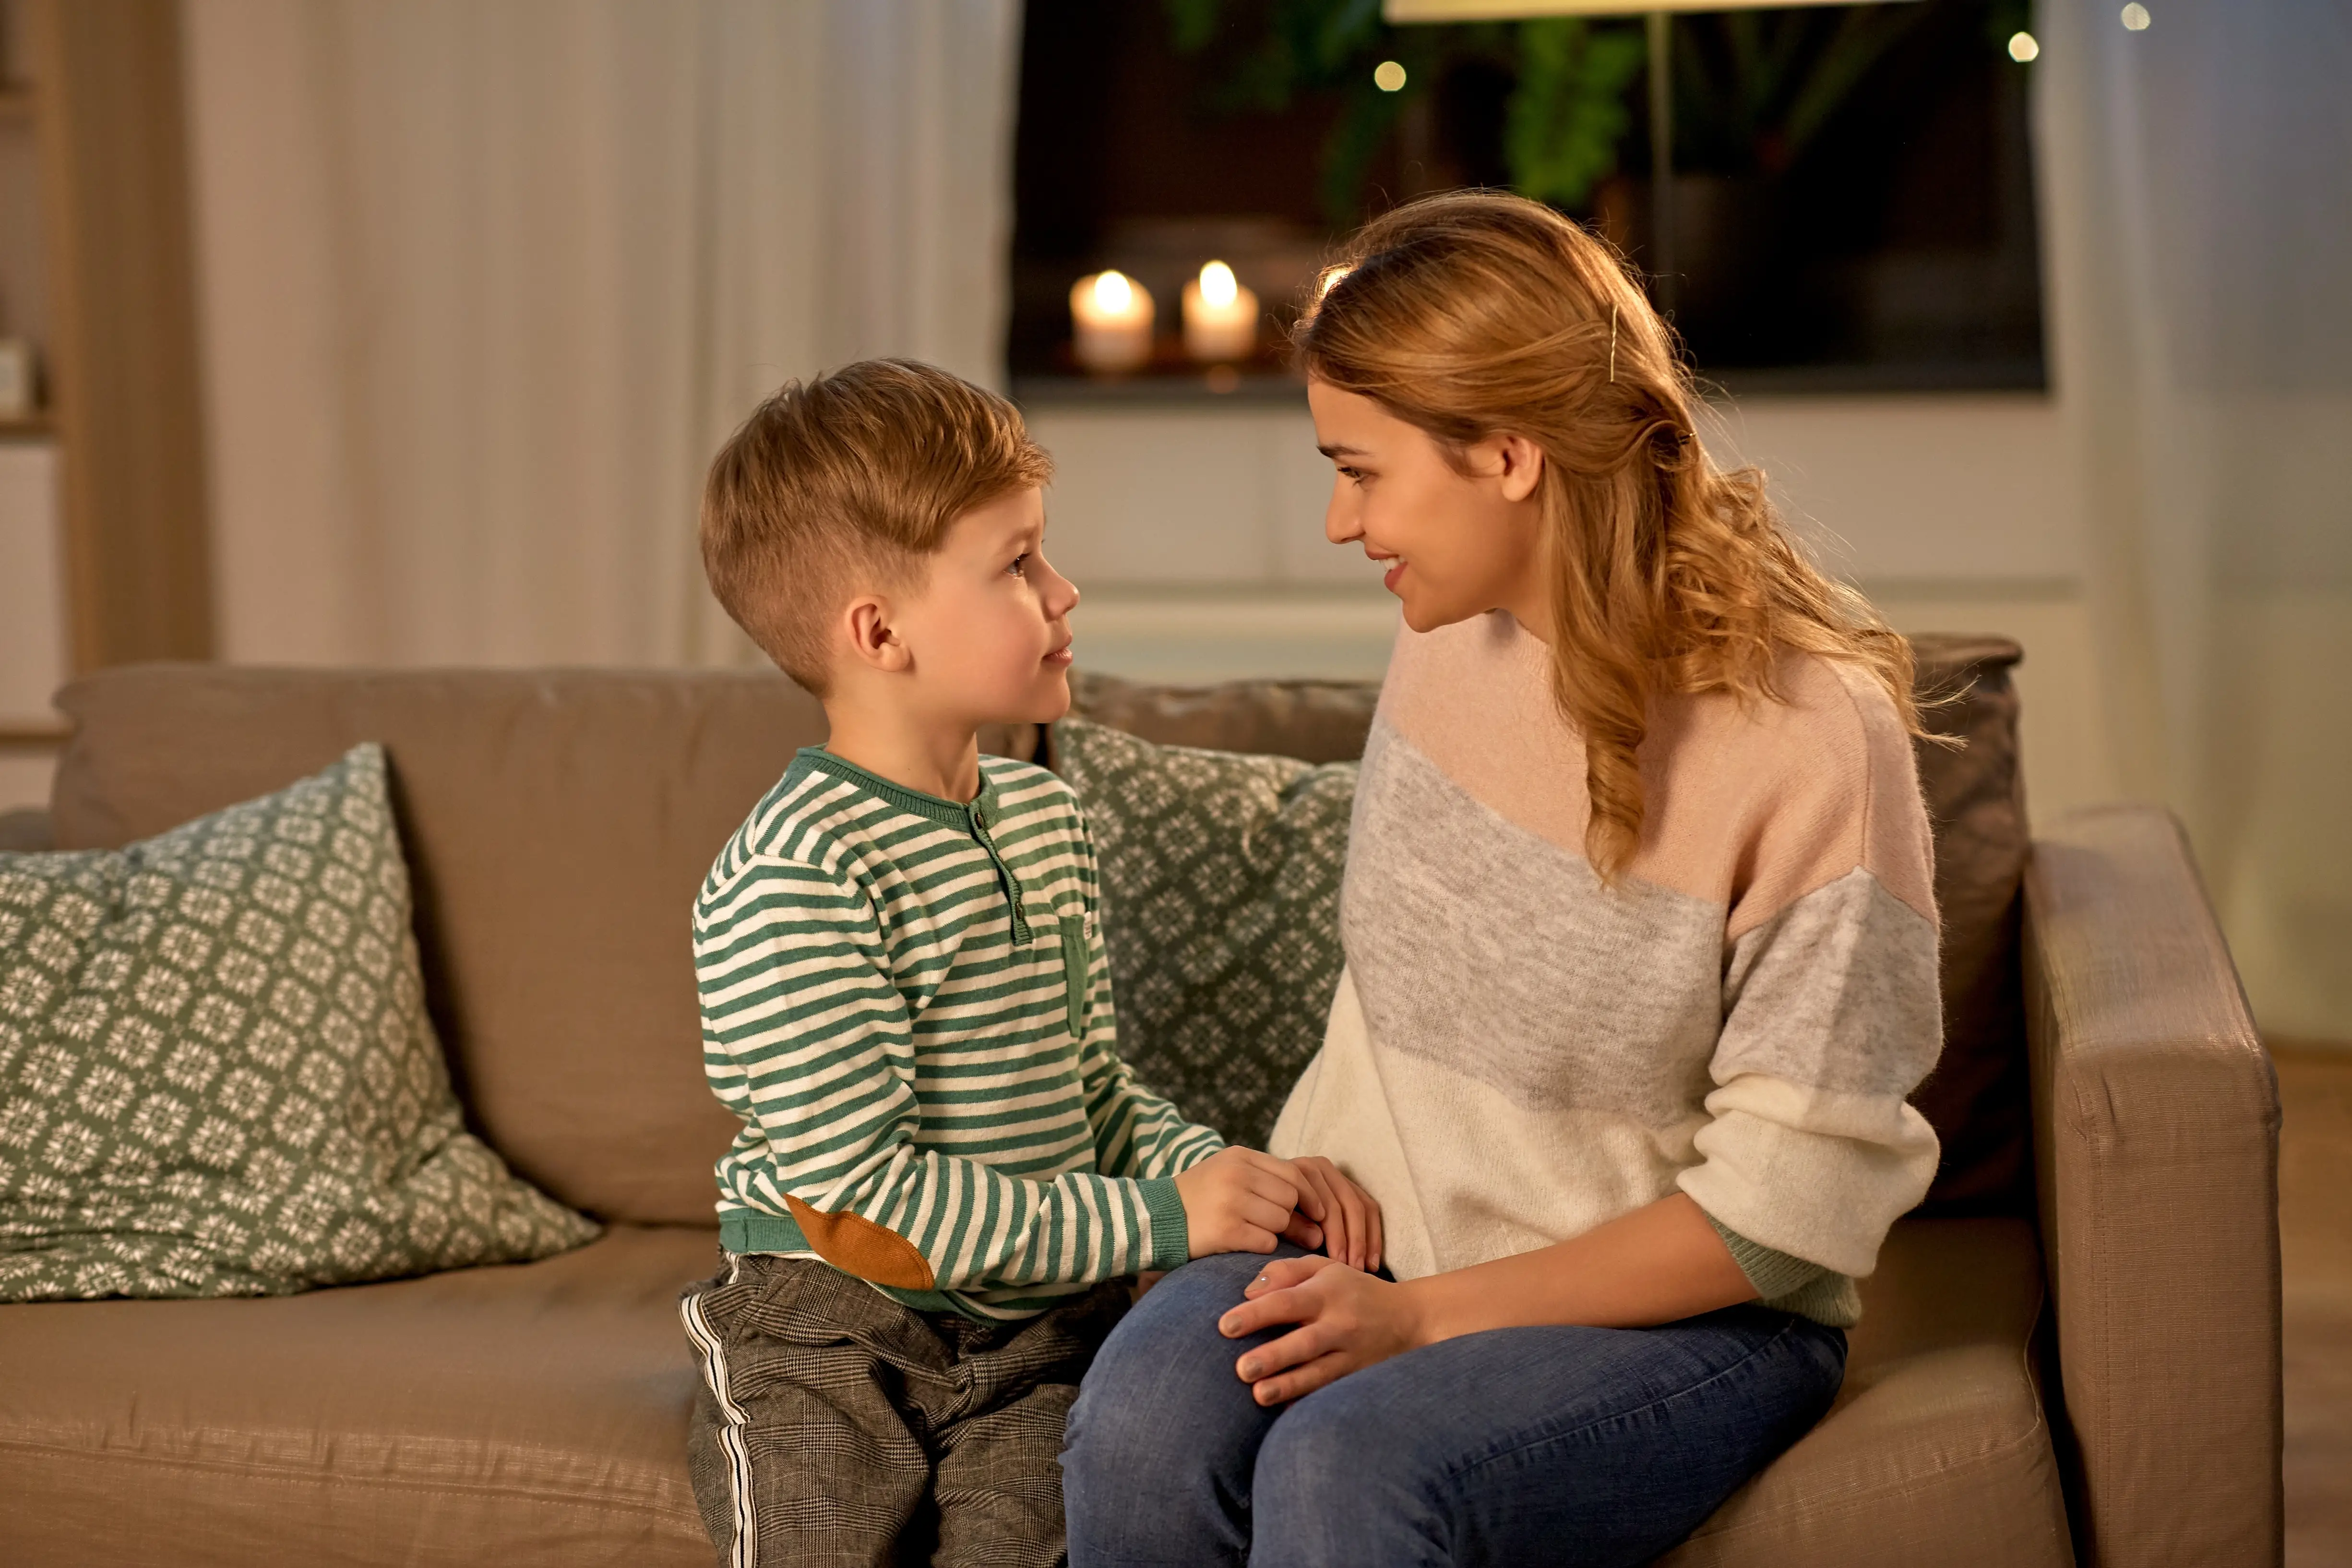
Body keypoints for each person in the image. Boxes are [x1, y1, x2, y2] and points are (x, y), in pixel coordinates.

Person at [1060, 192, 1946, 1568]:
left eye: (1361, 469)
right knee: (1136, 1430)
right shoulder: (1450, 636)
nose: (1341, 523)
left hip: (1690, 1319)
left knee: (1351, 1468)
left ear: (1508, 456)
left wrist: (1424, 1315)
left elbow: (1785, 1221)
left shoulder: (1808, 737)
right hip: (1367, 1234)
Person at [676, 359, 1380, 1568]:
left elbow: (1091, 1096)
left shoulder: (1039, 819)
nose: (1061, 590)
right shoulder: (798, 872)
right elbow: (865, 1211)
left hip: (1035, 1323)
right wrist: (1164, 1216)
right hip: (831, 1326)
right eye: (1014, 565)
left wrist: (1220, 1176)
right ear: (878, 631)